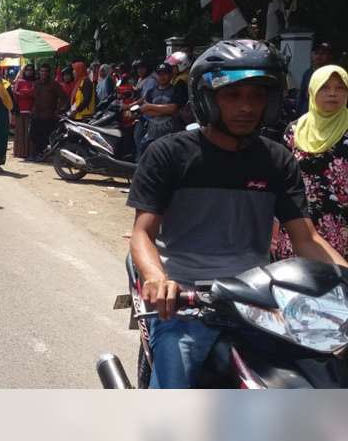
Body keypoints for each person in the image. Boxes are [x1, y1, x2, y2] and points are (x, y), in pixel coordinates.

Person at [127, 39, 348, 389]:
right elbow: (142, 234)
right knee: (174, 387)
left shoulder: (277, 160)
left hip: (258, 302)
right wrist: (157, 278)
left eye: (257, 96)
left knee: (323, 373)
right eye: (233, 96)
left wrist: (344, 280)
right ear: (207, 98)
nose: (247, 107)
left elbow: (307, 239)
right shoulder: (168, 154)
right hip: (186, 300)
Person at [274, 65, 348, 260]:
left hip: (342, 225)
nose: (332, 93)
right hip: (300, 224)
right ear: (312, 91)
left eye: (340, 88)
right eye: (325, 87)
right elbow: (282, 178)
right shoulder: (294, 130)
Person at [135, 62, 179, 159]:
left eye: (165, 73)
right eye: (160, 74)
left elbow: (173, 109)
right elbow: (145, 110)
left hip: (170, 134)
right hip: (152, 133)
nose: (162, 76)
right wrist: (166, 110)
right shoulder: (151, 92)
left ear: (171, 75)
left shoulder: (175, 90)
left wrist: (151, 106)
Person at [30, 62, 67, 159]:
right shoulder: (36, 83)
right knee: (34, 135)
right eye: (42, 71)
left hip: (49, 115)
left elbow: (63, 97)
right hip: (36, 114)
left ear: (49, 73)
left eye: (45, 71)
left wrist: (58, 110)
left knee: (46, 137)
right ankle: (35, 154)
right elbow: (31, 97)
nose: (43, 73)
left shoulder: (54, 84)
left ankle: (44, 154)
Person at [297, 42, 334, 116]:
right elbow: (302, 95)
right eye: (316, 53)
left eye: (323, 53)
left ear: (329, 56)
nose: (319, 56)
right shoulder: (307, 73)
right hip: (307, 112)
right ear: (311, 55)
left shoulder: (333, 74)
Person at [12, 63, 36, 158]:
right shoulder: (19, 82)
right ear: (24, 71)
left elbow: (35, 95)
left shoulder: (35, 82)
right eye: (27, 69)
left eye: (31, 70)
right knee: (20, 132)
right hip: (20, 110)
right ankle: (19, 152)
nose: (29, 71)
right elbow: (15, 94)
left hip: (31, 111)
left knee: (29, 133)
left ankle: (28, 152)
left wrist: (23, 93)